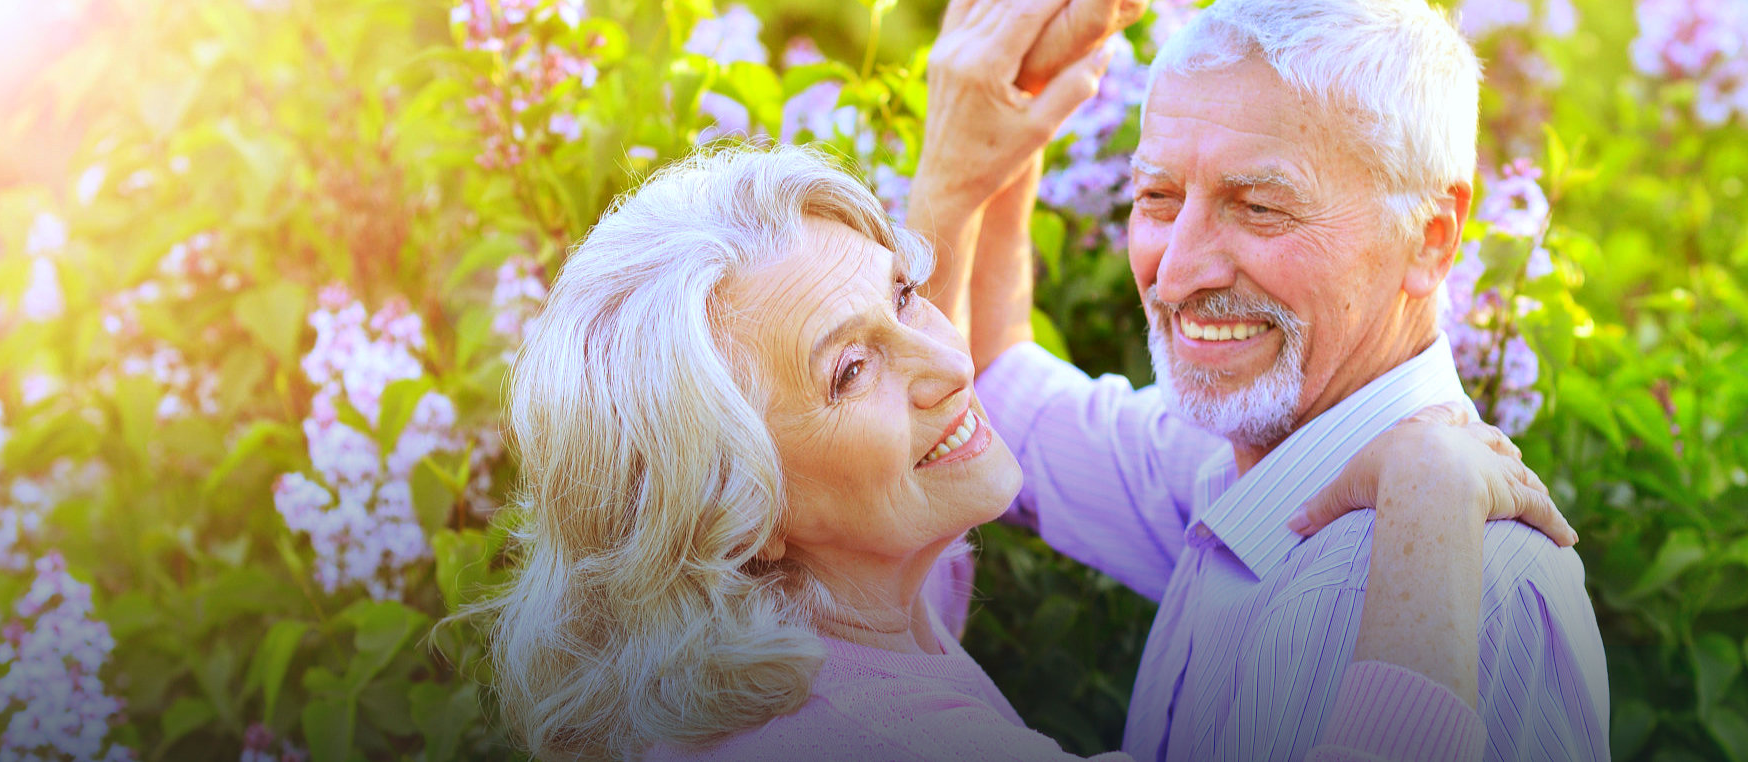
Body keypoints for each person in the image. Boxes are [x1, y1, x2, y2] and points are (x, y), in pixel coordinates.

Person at [477, 136, 1574, 760]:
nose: (941, 362)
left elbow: (992, 373)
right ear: (732, 503)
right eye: (851, 370)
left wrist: (985, 156)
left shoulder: (788, 630)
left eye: (904, 290)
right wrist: (1427, 489)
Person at [908, 0, 1611, 760]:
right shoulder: (1235, 468)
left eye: (1260, 207)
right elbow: (982, 392)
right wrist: (1007, 112)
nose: (1174, 273)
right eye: (1157, 197)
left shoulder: (1476, 592)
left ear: (1431, 238)